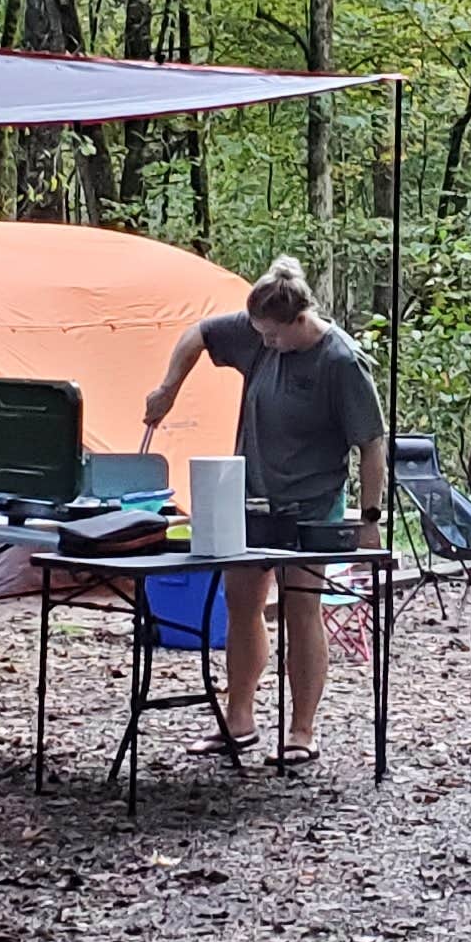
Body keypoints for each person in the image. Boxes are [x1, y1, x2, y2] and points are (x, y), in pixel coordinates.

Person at [142, 257, 389, 768]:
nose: (266, 344)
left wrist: (369, 522)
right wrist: (168, 388)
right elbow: (198, 335)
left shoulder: (340, 361)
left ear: (299, 322)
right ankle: (239, 720)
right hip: (251, 496)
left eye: (274, 337)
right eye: (260, 335)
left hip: (311, 503)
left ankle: (301, 730)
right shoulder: (257, 334)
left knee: (301, 603)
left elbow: (371, 443)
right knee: (242, 600)